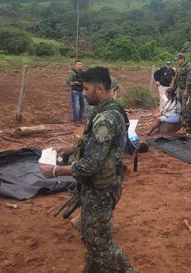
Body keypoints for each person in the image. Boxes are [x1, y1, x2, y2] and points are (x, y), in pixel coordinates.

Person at [40, 66, 137, 272]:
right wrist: (72, 147)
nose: (83, 93)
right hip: (100, 185)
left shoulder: (107, 118)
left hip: (101, 189)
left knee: (100, 246)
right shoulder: (105, 111)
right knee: (92, 240)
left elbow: (91, 164)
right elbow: (91, 140)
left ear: (99, 88)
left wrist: (56, 171)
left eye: (85, 89)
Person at [172, 53, 191, 134]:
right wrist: (173, 89)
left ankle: (185, 127)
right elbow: (176, 79)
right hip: (179, 90)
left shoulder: (188, 66)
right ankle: (182, 125)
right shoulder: (179, 67)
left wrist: (187, 90)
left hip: (185, 90)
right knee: (180, 108)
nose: (177, 61)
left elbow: (188, 79)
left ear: (182, 59)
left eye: (177, 59)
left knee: (184, 109)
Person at [66, 60, 86, 125]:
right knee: (76, 106)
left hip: (82, 91)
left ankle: (80, 119)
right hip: (75, 91)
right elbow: (68, 82)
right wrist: (76, 82)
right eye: (78, 64)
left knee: (83, 106)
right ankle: (76, 120)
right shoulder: (72, 73)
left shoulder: (82, 73)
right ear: (75, 65)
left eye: (81, 64)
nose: (80, 65)